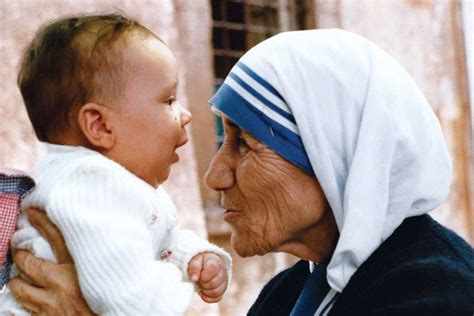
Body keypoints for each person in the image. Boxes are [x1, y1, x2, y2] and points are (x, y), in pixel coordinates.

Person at [8, 29, 474, 315]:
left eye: (246, 144)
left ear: (334, 155)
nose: (216, 175)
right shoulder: (288, 292)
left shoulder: (437, 292)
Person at [0, 14, 231, 316]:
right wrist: (178, 287)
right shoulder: (89, 184)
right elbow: (127, 299)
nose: (185, 114)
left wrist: (195, 257)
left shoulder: (116, 186)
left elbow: (154, 240)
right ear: (100, 126)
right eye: (169, 100)